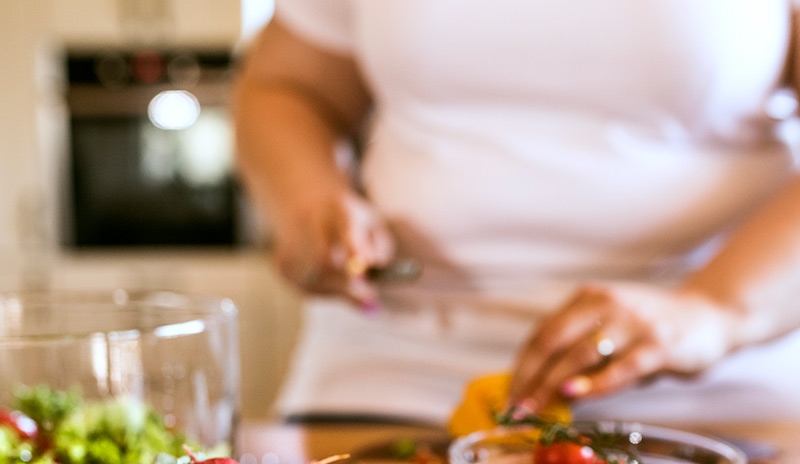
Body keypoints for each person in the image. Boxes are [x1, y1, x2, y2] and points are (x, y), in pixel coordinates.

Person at [233, 0, 800, 428]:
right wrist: (308, 198)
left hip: (724, 405)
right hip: (391, 377)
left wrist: (714, 310)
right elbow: (288, 85)